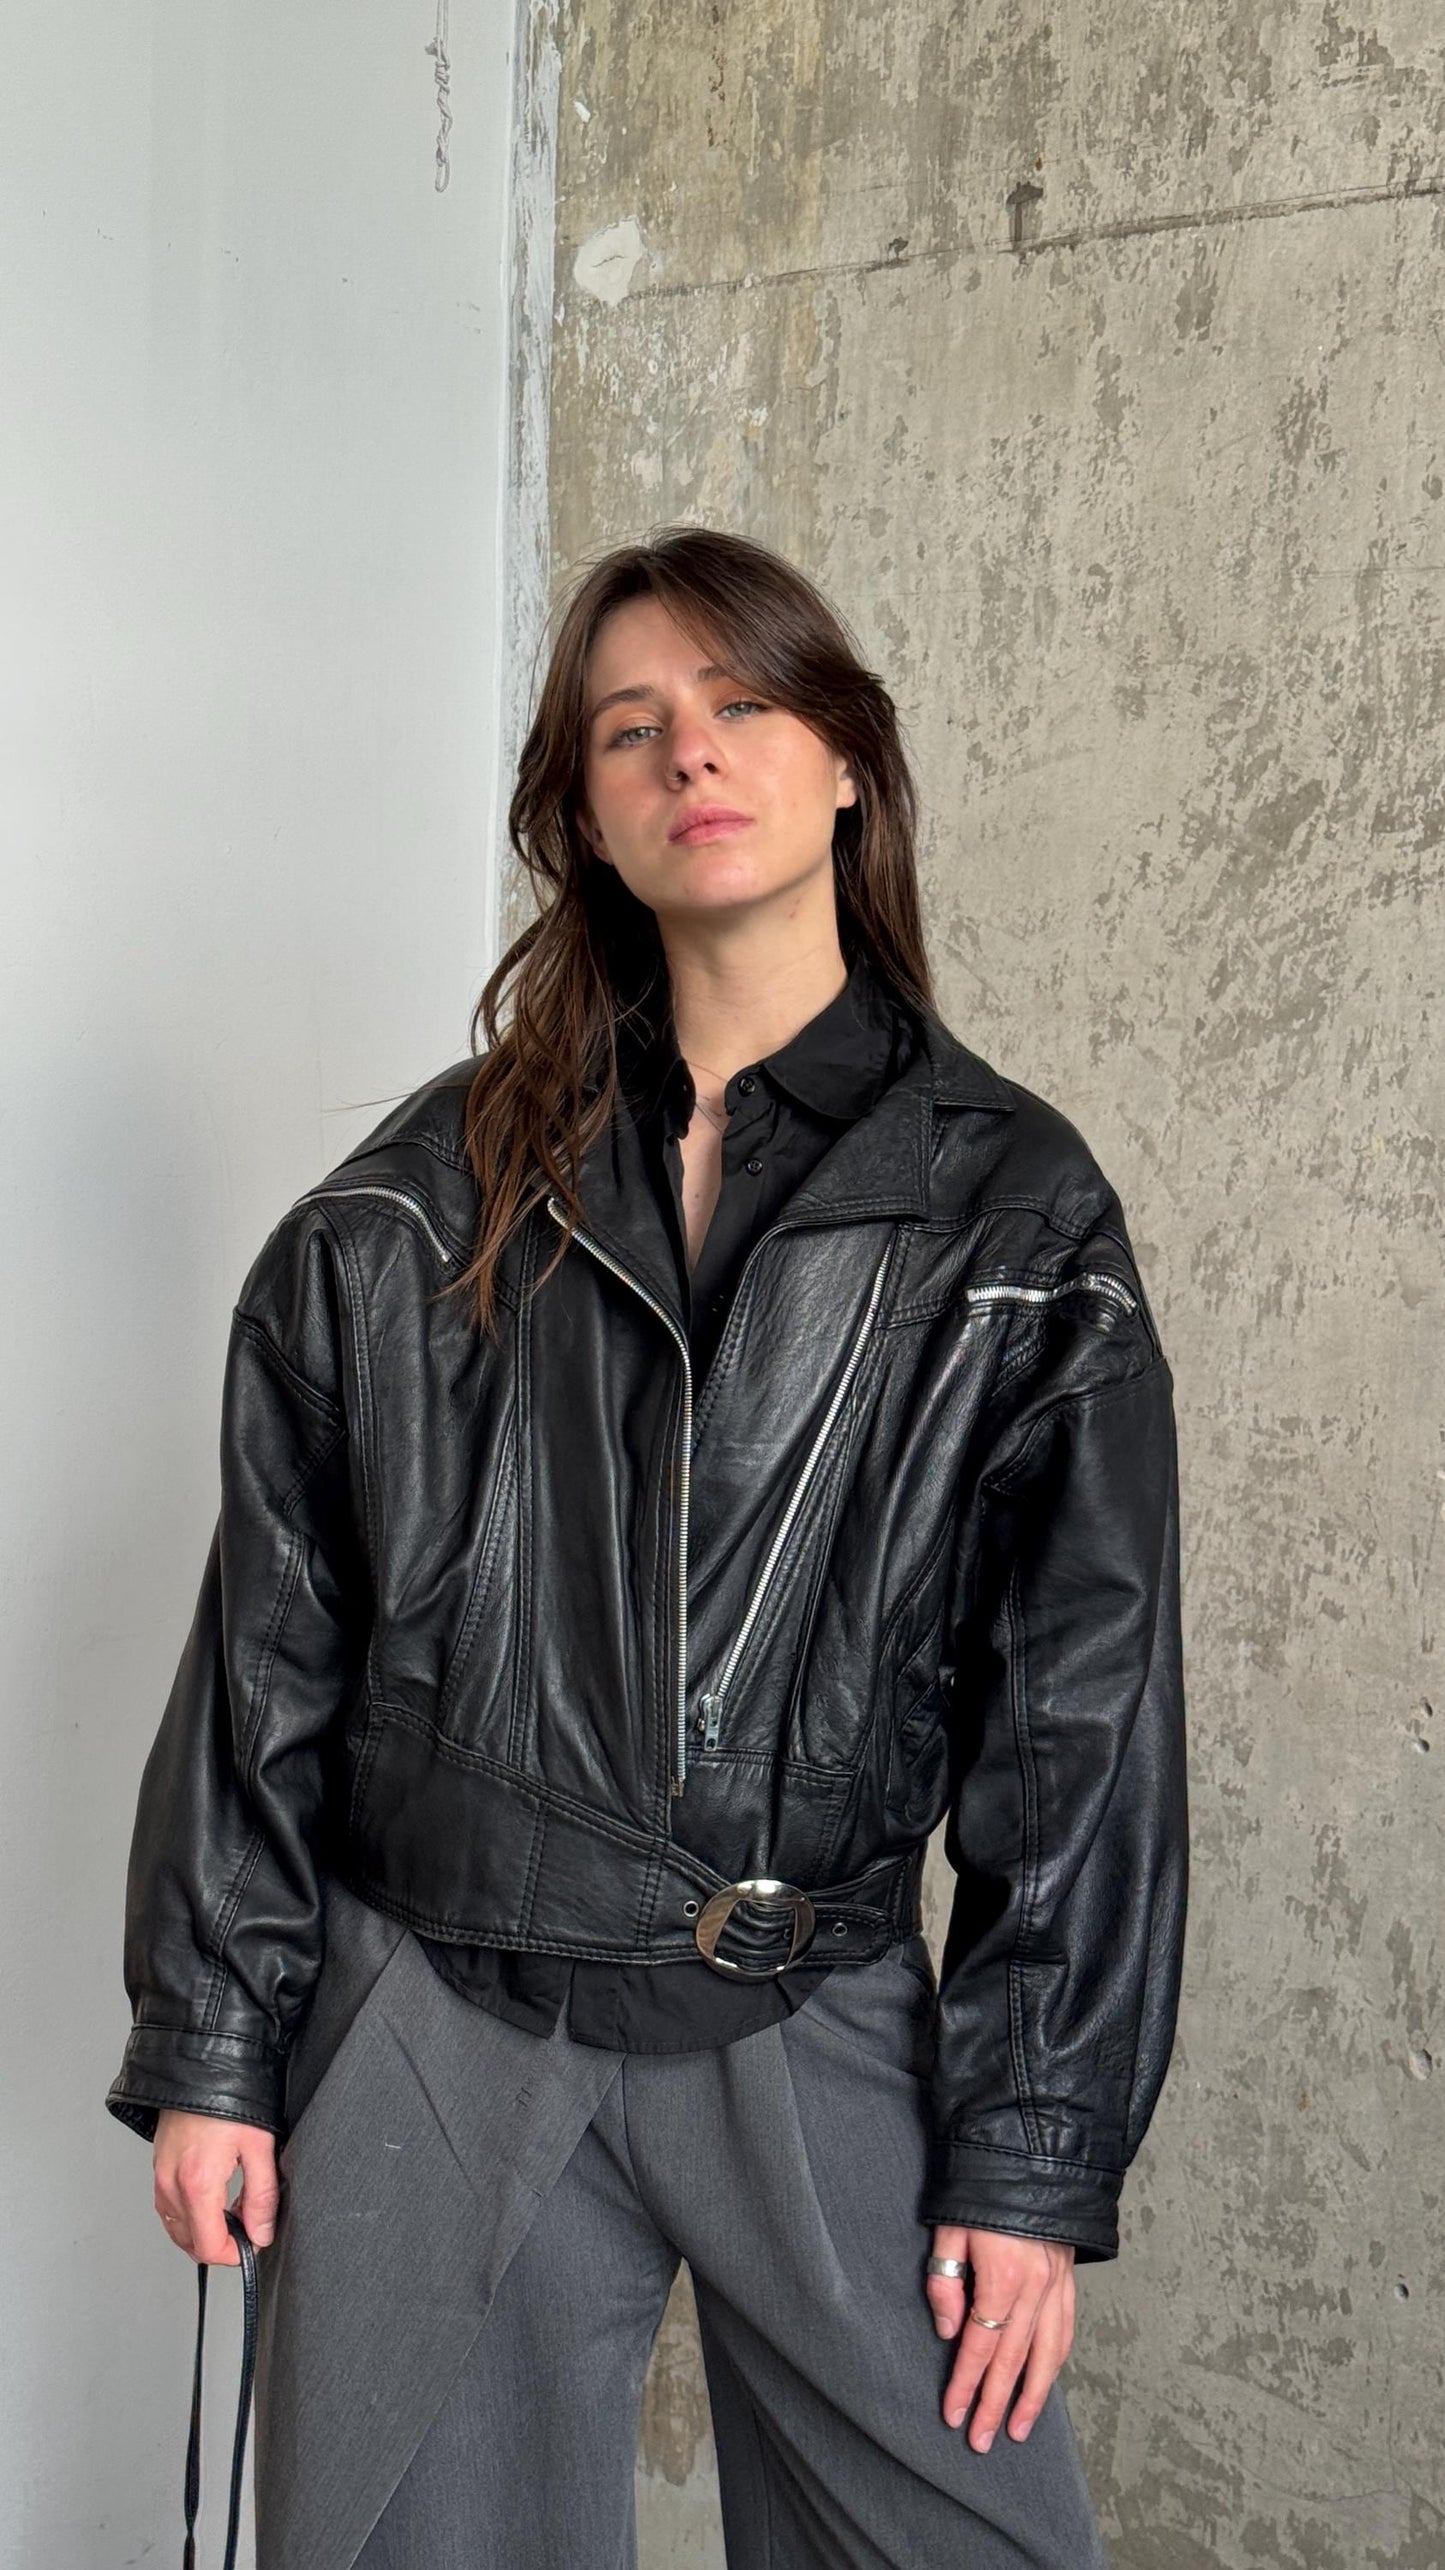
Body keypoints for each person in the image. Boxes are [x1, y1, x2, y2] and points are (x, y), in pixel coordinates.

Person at [106, 524, 1188, 2569]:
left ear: (848, 759)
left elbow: (1089, 1718)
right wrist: (217, 2045)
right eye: (632, 729)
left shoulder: (1016, 1220)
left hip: (820, 2011)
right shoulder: (406, 1213)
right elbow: (273, 1643)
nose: (692, 753)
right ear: (585, 819)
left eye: (743, 703)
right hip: (440, 2015)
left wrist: (1031, 2151)